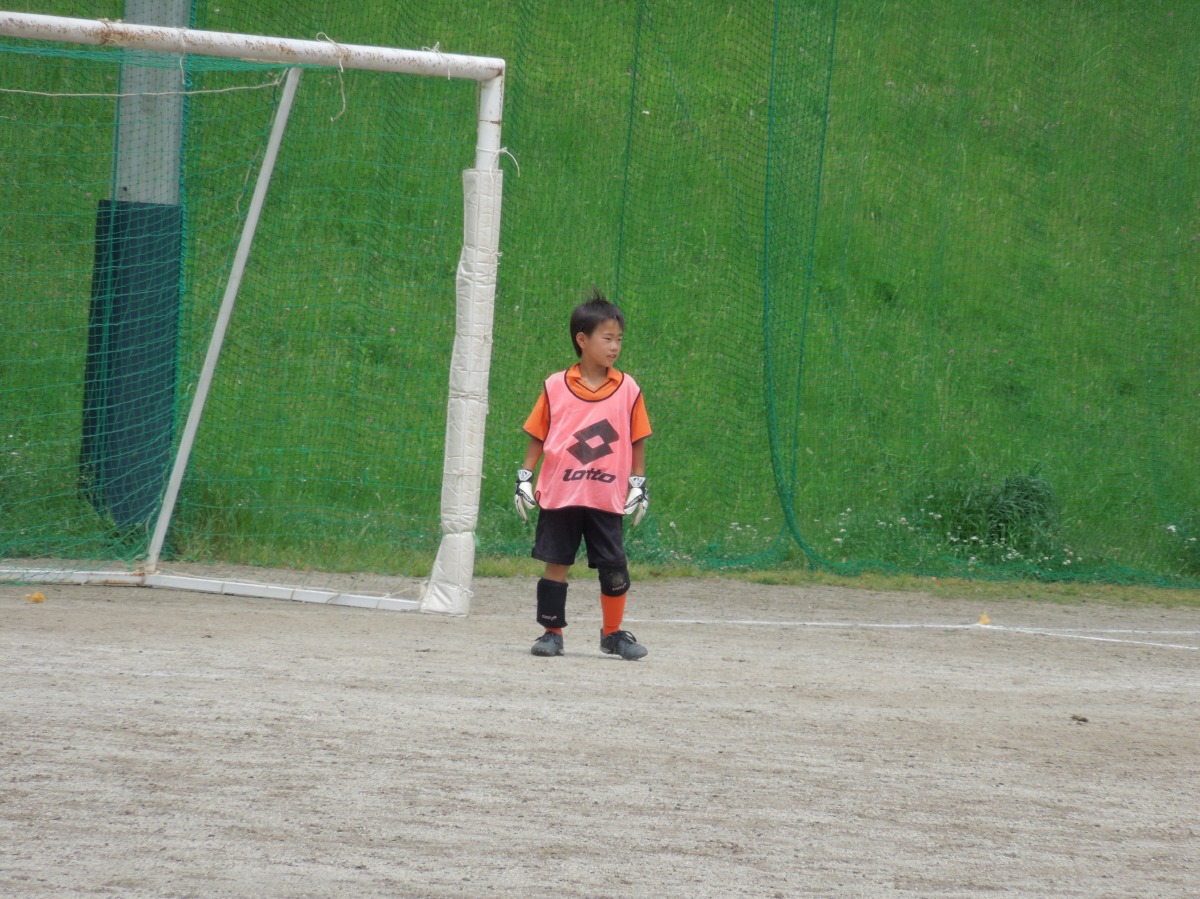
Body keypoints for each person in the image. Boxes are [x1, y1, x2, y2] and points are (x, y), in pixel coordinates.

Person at [514, 287, 652, 660]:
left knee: (614, 567)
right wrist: (525, 476)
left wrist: (638, 483)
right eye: (607, 338)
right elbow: (538, 434)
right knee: (556, 562)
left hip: (605, 496)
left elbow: (637, 437)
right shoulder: (555, 385)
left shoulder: (628, 389)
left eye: (619, 339)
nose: (615, 346)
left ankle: (613, 634)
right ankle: (551, 633)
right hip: (561, 493)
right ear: (582, 339)